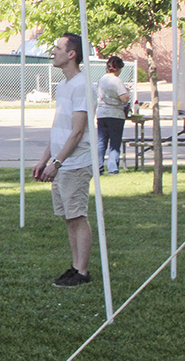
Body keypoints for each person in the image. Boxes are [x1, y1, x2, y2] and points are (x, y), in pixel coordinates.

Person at [32, 33, 94, 288]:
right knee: (69, 217)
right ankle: (75, 266)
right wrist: (44, 158)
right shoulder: (64, 86)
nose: (53, 52)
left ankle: (82, 271)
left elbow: (78, 131)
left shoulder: (82, 85)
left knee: (78, 215)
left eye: (58, 48)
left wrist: (56, 163)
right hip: (61, 162)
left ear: (72, 54)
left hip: (75, 163)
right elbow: (61, 127)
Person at [96, 55, 130, 175]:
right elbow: (124, 98)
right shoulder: (117, 81)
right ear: (118, 68)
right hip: (115, 114)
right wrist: (128, 92)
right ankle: (113, 167)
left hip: (101, 113)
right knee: (114, 143)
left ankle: (99, 167)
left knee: (101, 141)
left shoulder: (101, 80)